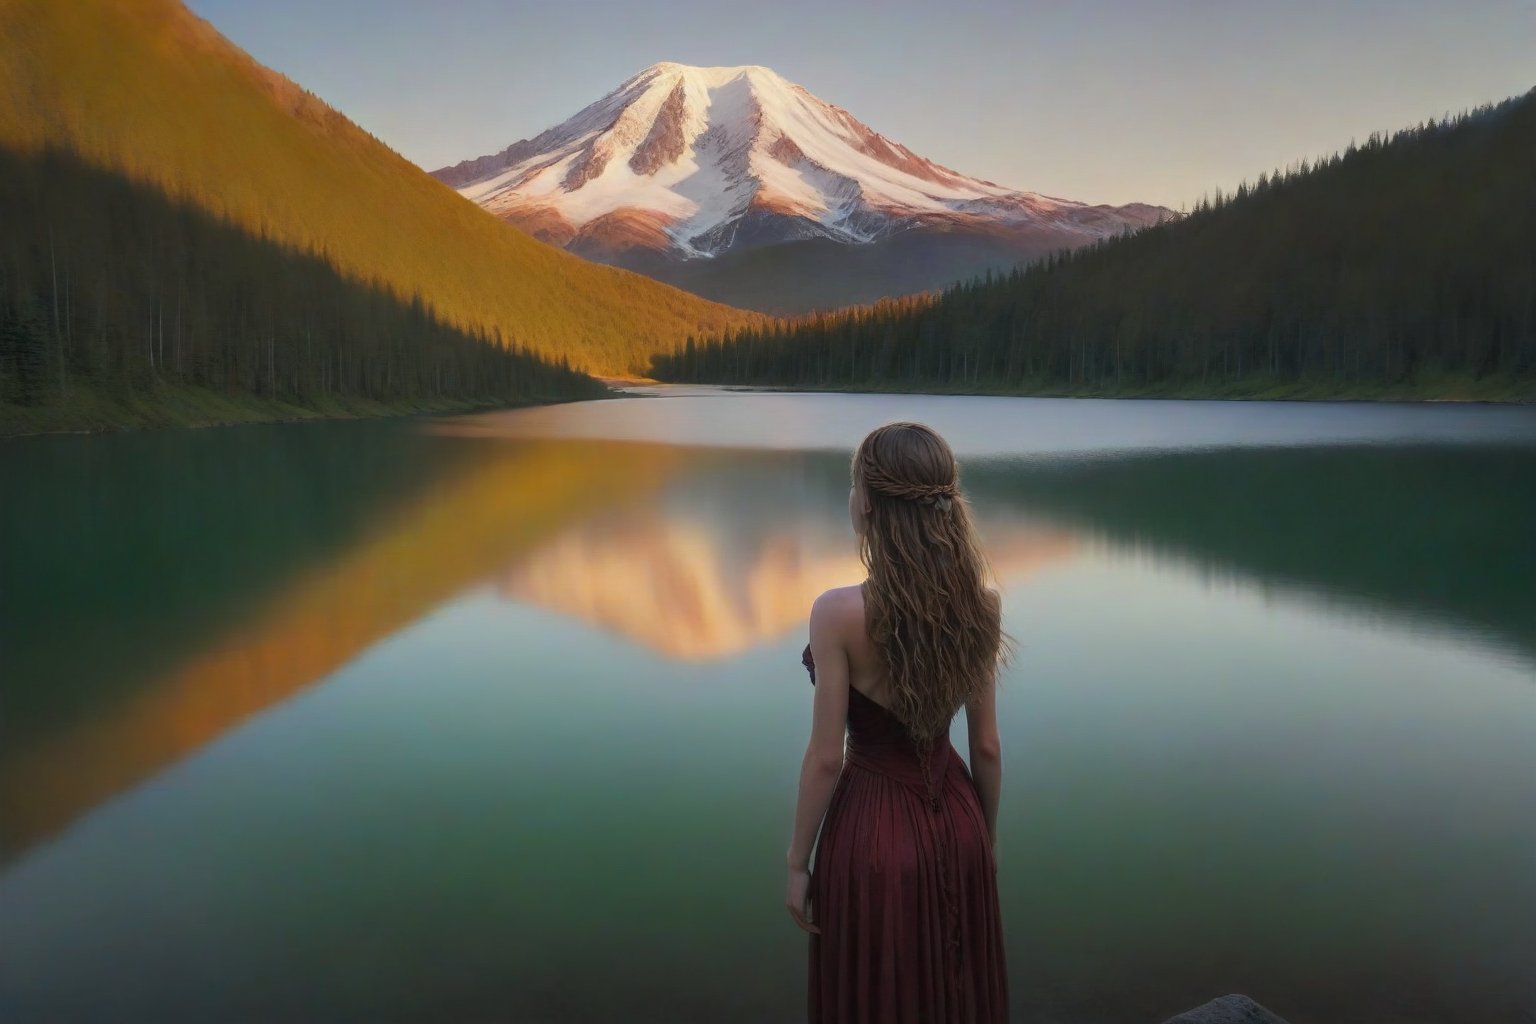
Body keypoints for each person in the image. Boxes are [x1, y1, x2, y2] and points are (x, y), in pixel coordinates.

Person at [785, 421, 1013, 1023]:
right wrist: (983, 839)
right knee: (954, 986)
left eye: (853, 485)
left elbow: (825, 759)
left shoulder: (836, 613)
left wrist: (795, 862)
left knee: (876, 989)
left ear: (870, 506)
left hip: (871, 831)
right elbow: (986, 747)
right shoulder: (982, 604)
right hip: (959, 818)